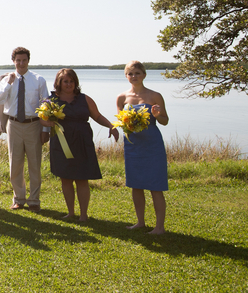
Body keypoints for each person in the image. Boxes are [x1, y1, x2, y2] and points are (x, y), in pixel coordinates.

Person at [39, 69, 118, 221]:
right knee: (66, 178)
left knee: (82, 178)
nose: (69, 84)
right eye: (65, 81)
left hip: (82, 142)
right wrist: (47, 123)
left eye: (71, 81)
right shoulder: (50, 100)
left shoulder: (85, 99)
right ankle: (70, 212)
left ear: (76, 82)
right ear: (59, 83)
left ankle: (83, 214)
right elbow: (42, 118)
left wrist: (111, 126)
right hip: (61, 142)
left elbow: (97, 116)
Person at [0, 47, 50, 212]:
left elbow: (45, 104)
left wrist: (45, 130)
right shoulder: (6, 80)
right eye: (18, 60)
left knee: (35, 164)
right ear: (13, 61)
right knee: (15, 164)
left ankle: (34, 200)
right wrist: (9, 84)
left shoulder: (38, 80)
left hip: (34, 124)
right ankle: (18, 198)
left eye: (24, 60)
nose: (21, 63)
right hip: (14, 125)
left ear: (28, 61)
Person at [116, 60, 170, 234]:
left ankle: (159, 227)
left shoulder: (155, 96)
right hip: (133, 145)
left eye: (137, 73)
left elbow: (165, 121)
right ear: (126, 76)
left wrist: (157, 115)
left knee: (156, 186)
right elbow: (120, 121)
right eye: (130, 74)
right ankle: (140, 222)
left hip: (152, 145)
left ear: (144, 75)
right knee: (136, 185)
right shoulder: (122, 98)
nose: (134, 77)